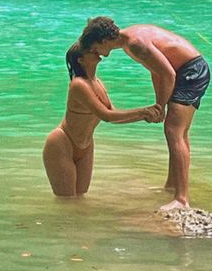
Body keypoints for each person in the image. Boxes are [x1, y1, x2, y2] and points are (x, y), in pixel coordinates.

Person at [80, 16, 211, 211]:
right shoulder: (128, 39)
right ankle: (172, 184)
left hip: (190, 71)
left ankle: (182, 199)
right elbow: (156, 71)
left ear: (103, 41)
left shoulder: (134, 44)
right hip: (184, 70)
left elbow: (169, 74)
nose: (95, 53)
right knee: (178, 131)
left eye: (94, 48)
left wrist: (160, 105)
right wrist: (161, 106)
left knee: (174, 131)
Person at [42, 39, 160, 197]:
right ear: (81, 60)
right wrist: (143, 112)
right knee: (67, 201)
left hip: (86, 144)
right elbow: (106, 116)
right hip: (62, 143)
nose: (95, 50)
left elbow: (114, 114)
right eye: (90, 50)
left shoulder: (98, 83)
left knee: (81, 196)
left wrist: (144, 116)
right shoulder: (78, 84)